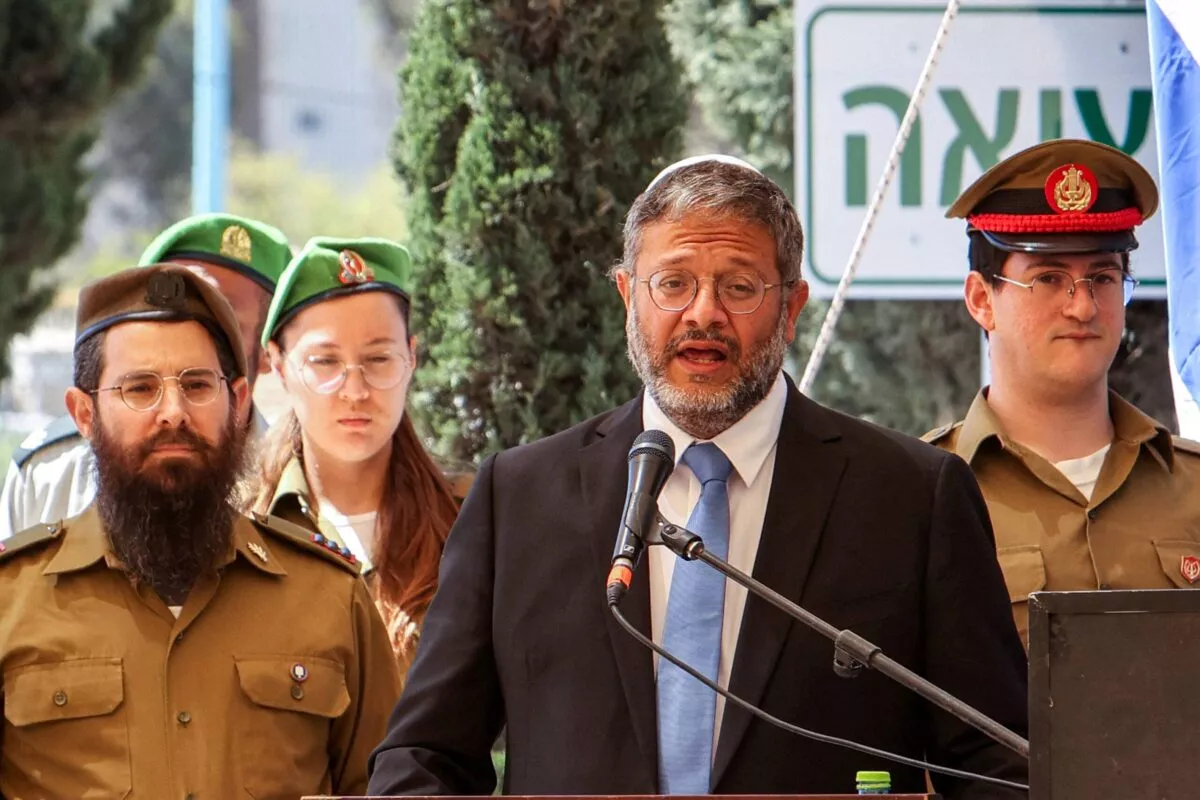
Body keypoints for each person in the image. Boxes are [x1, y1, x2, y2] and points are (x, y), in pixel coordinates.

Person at [367, 156, 1028, 798]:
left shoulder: (910, 497)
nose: (703, 314)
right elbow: (425, 754)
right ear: (628, 296)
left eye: (739, 286)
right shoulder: (519, 497)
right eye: (673, 283)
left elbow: (999, 765)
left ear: (792, 307)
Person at [0, 264, 400, 799]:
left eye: (196, 385)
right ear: (84, 414)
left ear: (237, 402)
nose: (174, 413)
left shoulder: (331, 597)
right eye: (140, 388)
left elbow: (389, 789)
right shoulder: (10, 602)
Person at [925, 138, 1200, 647]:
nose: (1083, 307)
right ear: (982, 300)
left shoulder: (1195, 488)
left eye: (1102, 277)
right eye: (1049, 278)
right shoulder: (917, 494)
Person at [0, 213, 291, 539]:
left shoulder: (293, 477)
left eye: (220, 320)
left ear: (270, 350)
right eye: (162, 316)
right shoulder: (51, 474)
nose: (187, 335)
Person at [248, 237, 459, 671]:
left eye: (379, 358)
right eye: (325, 362)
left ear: (412, 357)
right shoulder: (242, 527)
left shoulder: (471, 520)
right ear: (279, 364)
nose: (356, 391)